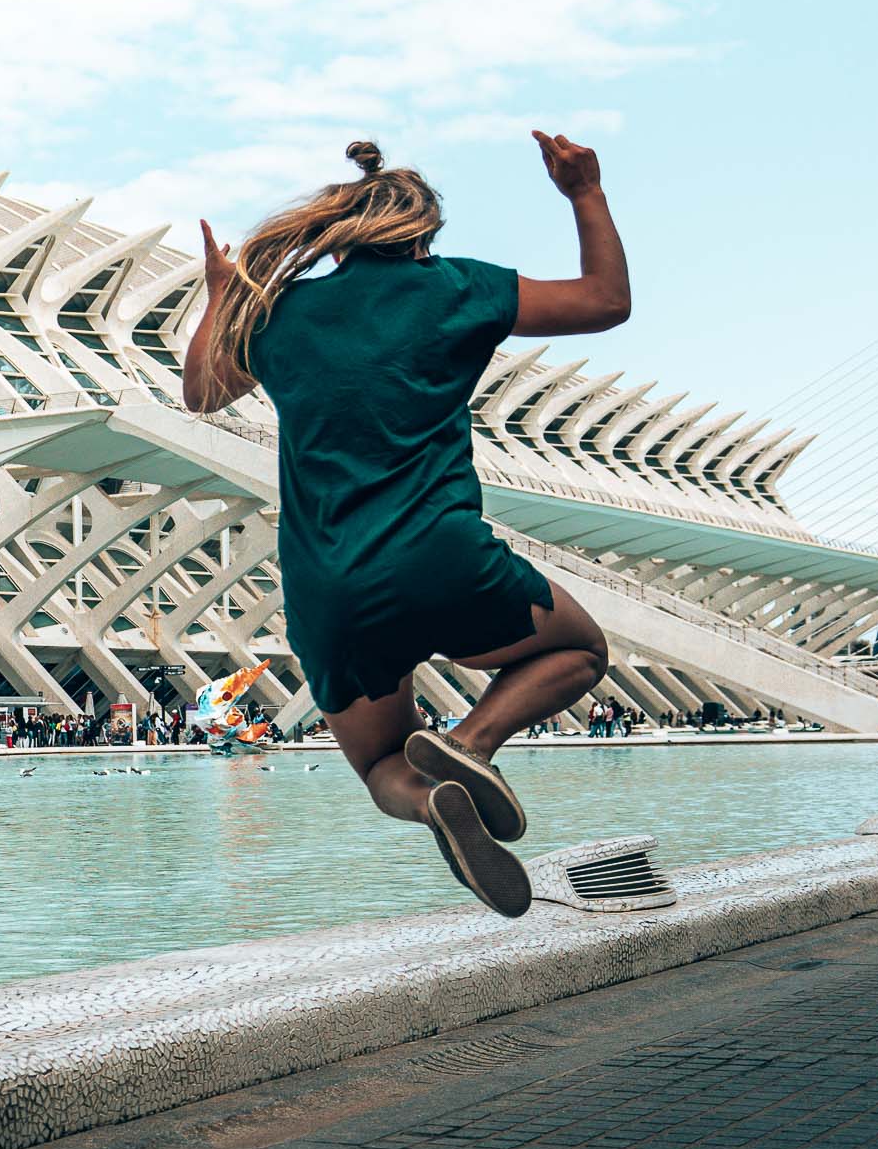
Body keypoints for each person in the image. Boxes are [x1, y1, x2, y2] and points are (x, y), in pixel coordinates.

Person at [183, 132, 629, 917]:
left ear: (336, 237)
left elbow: (201, 394)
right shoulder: (459, 288)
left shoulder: (280, 313)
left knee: (382, 761)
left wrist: (224, 293)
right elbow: (605, 302)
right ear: (422, 235)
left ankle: (433, 801)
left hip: (329, 584)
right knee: (580, 649)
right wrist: (584, 192)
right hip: (441, 557)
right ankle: (469, 745)